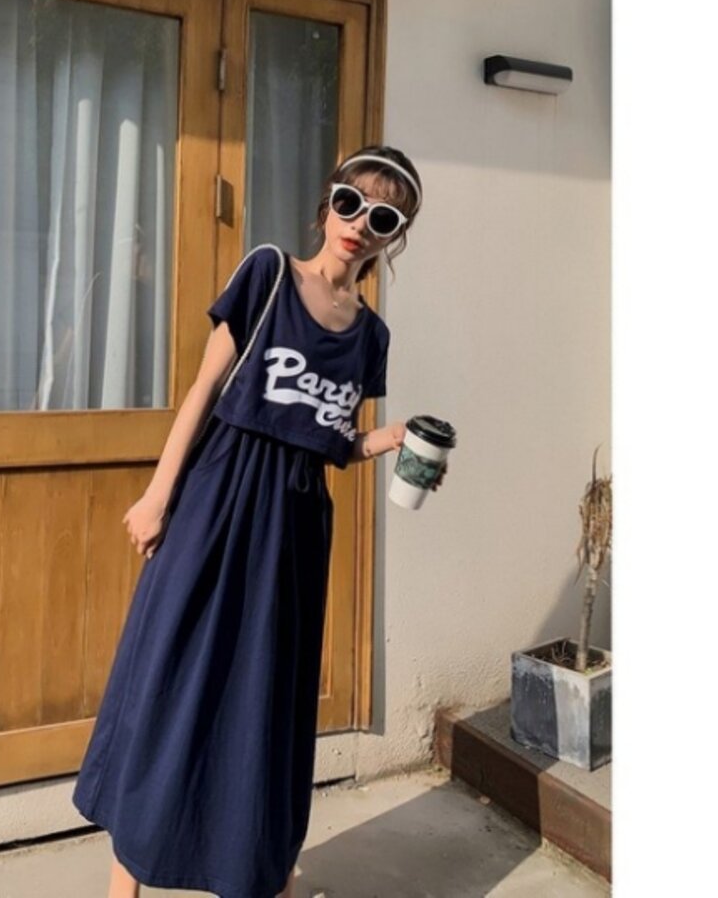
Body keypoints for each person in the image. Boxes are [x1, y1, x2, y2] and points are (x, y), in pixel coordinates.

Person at [72, 145, 445, 898]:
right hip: (218, 500)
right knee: (172, 673)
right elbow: (204, 390)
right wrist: (158, 495)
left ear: (393, 236)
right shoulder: (269, 274)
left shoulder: (370, 337)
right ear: (329, 201)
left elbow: (329, 441)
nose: (358, 225)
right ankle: (125, 881)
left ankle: (260, 867)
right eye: (351, 203)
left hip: (296, 525)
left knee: (264, 699)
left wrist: (389, 438)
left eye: (382, 218)